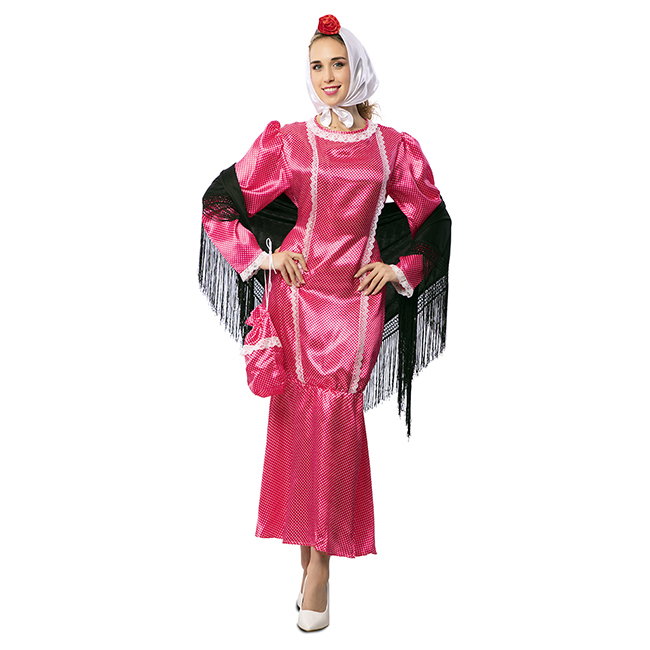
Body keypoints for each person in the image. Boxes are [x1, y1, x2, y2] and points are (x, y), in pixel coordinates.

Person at [198, 15, 451, 632]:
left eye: (338, 63)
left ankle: (320, 570)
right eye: (316, 66)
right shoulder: (291, 142)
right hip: (296, 299)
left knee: (335, 426)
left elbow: (434, 218)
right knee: (297, 427)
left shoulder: (392, 148)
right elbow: (220, 202)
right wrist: (263, 259)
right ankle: (310, 564)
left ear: (356, 67)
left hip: (354, 306)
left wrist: (399, 270)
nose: (327, 76)